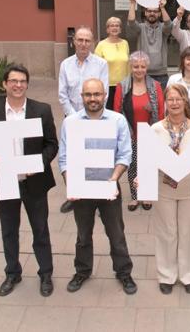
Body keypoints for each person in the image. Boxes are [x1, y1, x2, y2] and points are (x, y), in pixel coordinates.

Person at [0, 64, 58, 297]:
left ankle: (45, 274)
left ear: (27, 84)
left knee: (40, 230)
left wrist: (38, 164)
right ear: (5, 84)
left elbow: (52, 145)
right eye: (13, 81)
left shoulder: (41, 110)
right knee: (9, 231)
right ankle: (13, 273)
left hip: (34, 183)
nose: (18, 85)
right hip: (6, 182)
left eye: (22, 81)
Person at [58, 78, 137, 295]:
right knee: (83, 235)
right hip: (81, 191)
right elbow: (64, 159)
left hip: (109, 187)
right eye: (88, 95)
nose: (92, 99)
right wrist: (70, 184)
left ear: (105, 96)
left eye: (96, 94)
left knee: (116, 234)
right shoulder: (70, 122)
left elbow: (125, 155)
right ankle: (82, 271)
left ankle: (124, 272)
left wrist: (114, 180)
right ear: (81, 97)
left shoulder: (118, 121)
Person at [144, 84, 190, 295]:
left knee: (189, 232)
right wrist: (143, 179)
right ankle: (166, 275)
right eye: (171, 99)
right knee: (166, 233)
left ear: (185, 101)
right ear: (165, 102)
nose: (174, 103)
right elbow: (148, 159)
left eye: (178, 99)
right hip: (163, 189)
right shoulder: (155, 129)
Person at [58, 25, 108, 214]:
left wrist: (89, 117)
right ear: (74, 41)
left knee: (94, 156)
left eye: (87, 40)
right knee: (73, 157)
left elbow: (105, 93)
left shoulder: (101, 64)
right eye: (80, 40)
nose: (83, 44)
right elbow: (62, 94)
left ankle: (96, 193)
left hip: (95, 118)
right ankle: (74, 195)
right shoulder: (65, 65)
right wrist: (75, 118)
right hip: (72, 118)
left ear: (92, 43)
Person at [114, 51, 164, 211]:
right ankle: (135, 196)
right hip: (130, 132)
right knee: (133, 165)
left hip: (150, 132)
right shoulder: (123, 86)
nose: (139, 70)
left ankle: (147, 194)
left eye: (142, 66)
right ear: (131, 67)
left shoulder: (155, 86)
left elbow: (161, 111)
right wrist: (124, 133)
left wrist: (157, 132)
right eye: (136, 66)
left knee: (148, 164)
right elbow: (117, 111)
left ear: (147, 67)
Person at [127, 0, 172, 91]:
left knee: (161, 104)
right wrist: (132, 3)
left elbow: (168, 24)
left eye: (155, 11)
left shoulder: (163, 29)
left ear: (159, 14)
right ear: (145, 13)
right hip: (143, 73)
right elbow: (131, 21)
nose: (152, 13)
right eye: (149, 11)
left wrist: (162, 7)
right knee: (144, 104)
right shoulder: (140, 28)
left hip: (161, 75)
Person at [94, 16, 130, 109]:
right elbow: (95, 67)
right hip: (107, 86)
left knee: (123, 111)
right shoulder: (101, 45)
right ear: (107, 29)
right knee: (109, 111)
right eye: (111, 26)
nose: (114, 28)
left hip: (124, 86)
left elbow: (128, 65)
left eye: (117, 25)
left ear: (120, 29)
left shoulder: (125, 43)